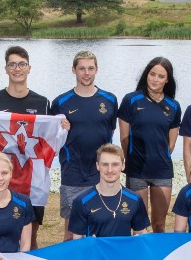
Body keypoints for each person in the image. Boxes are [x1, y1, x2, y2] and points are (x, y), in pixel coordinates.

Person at [0, 46, 52, 250]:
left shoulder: (43, 103)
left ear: (29, 68)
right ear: (6, 69)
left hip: (32, 180)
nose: (17, 69)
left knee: (30, 234)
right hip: (1, 177)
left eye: (21, 64)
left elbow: (50, 138)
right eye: (12, 64)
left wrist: (61, 127)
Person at [54, 51, 118, 241]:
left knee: (102, 229)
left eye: (90, 68)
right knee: (71, 233)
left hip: (102, 172)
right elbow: (53, 138)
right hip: (73, 172)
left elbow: (110, 132)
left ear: (96, 69)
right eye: (82, 68)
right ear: (73, 70)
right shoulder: (60, 102)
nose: (86, 73)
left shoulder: (110, 100)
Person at [117, 57, 182, 234]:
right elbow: (124, 138)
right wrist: (132, 159)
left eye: (161, 76)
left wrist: (158, 156)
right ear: (146, 74)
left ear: (167, 80)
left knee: (159, 224)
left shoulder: (173, 106)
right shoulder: (131, 100)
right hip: (137, 170)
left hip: (162, 171)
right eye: (152, 74)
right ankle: (138, 253)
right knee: (140, 226)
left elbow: (171, 144)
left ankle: (158, 252)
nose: (155, 79)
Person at [67, 144, 149, 239]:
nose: (110, 170)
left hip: (124, 249)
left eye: (115, 164)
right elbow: (77, 240)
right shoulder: (82, 201)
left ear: (123, 166)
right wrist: (88, 243)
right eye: (105, 164)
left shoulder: (135, 199)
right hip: (96, 250)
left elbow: (142, 234)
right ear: (98, 166)